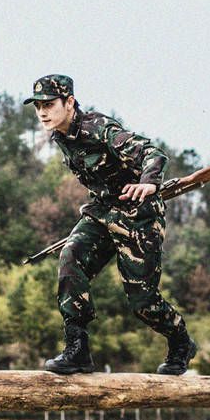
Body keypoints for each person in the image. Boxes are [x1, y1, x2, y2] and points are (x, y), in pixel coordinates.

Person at [25, 74, 195, 376]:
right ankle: (77, 348)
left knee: (143, 301)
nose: (42, 112)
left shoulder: (98, 128)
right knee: (70, 260)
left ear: (70, 102)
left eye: (49, 104)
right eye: (38, 106)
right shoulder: (61, 136)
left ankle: (180, 342)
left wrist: (148, 184)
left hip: (138, 217)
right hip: (102, 213)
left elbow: (152, 153)